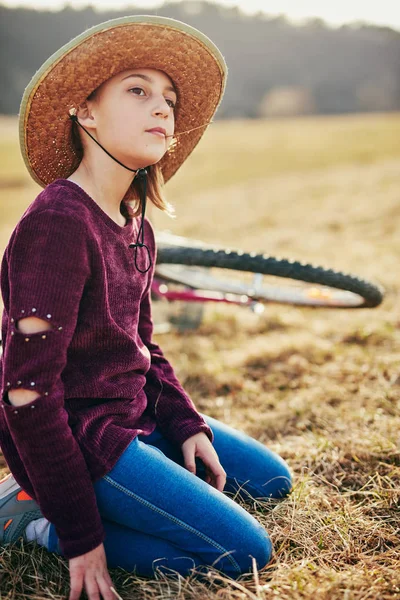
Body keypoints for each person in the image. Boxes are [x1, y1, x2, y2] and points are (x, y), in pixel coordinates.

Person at [0, 15, 292, 600]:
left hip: (138, 416)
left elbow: (142, 346)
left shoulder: (136, 222)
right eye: (137, 90)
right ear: (86, 112)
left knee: (270, 481)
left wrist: (183, 423)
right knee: (244, 553)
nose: (163, 108)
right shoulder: (59, 224)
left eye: (169, 98)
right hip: (86, 438)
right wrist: (82, 537)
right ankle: (35, 521)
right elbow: (24, 393)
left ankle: (92, 496)